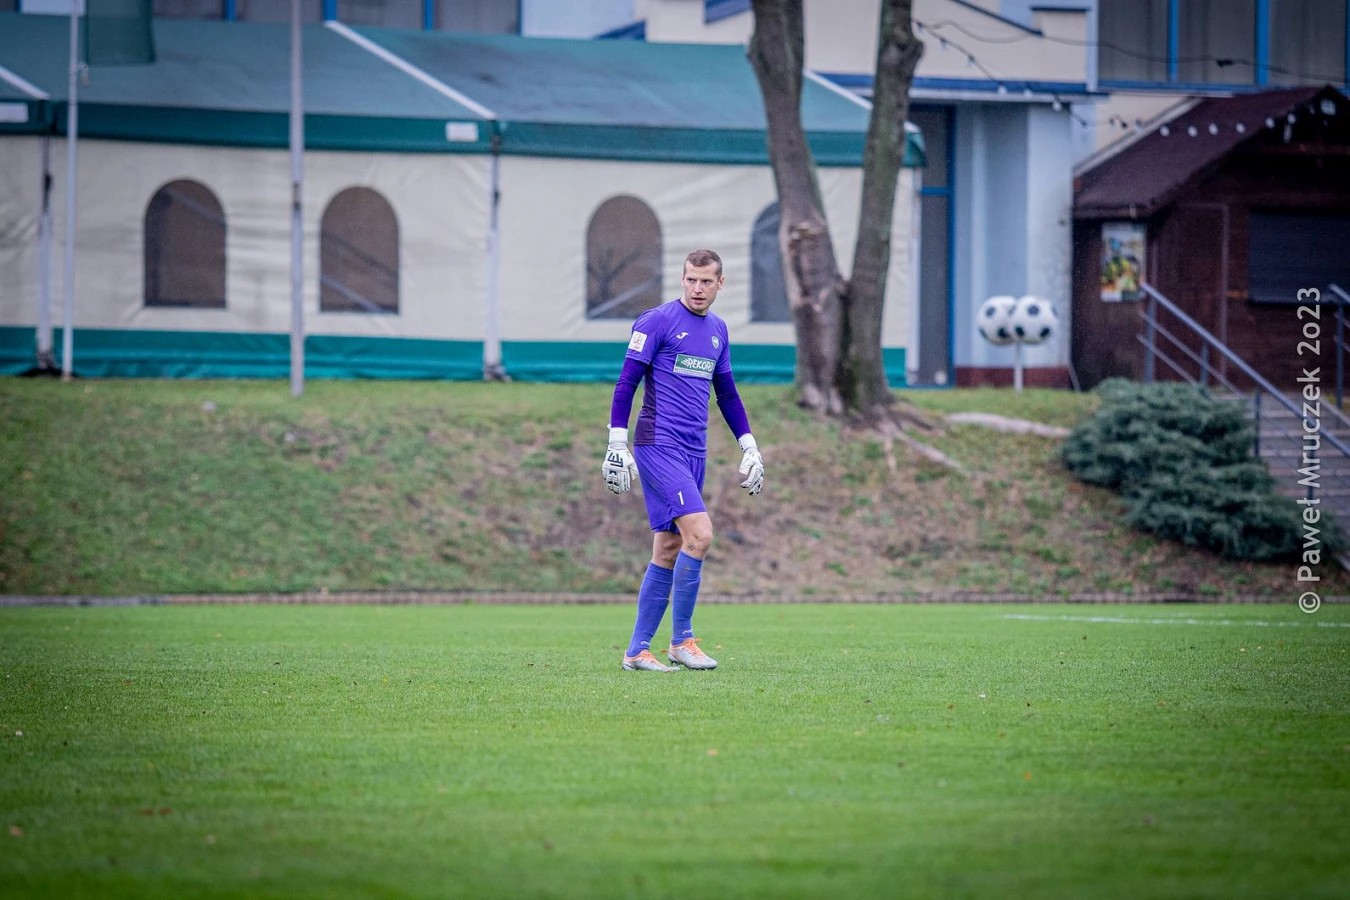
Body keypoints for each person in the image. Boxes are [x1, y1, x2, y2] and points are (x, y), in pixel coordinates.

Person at [602, 248, 765, 672]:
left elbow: (727, 394)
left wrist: (749, 445)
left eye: (706, 281)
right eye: (691, 279)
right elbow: (626, 383)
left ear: (720, 283)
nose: (697, 288)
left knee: (670, 546)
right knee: (701, 534)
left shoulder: (719, 330)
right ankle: (682, 641)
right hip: (658, 443)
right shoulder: (656, 321)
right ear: (682, 279)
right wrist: (616, 441)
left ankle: (637, 651)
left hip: (696, 449)